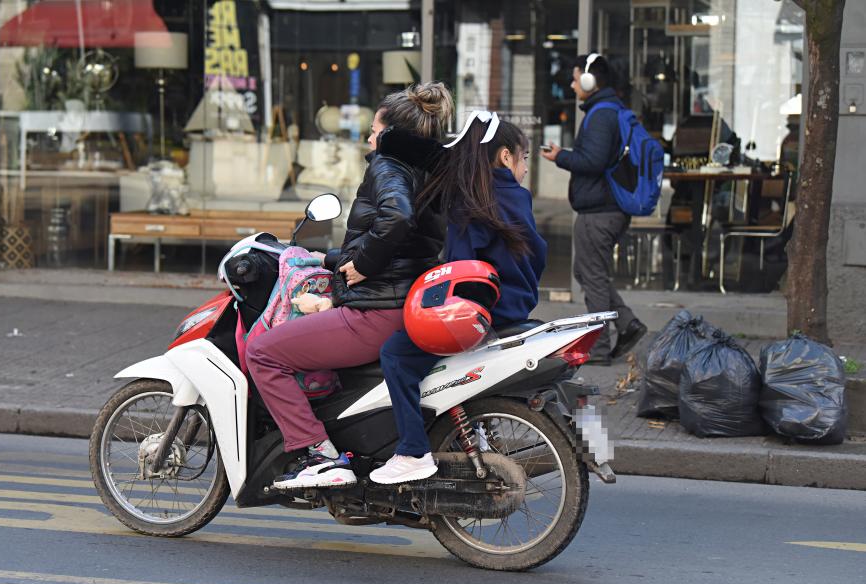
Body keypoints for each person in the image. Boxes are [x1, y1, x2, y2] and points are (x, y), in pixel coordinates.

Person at [245, 82, 453, 489]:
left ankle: (318, 454)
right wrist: (330, 259)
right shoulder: (426, 170)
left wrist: (365, 261)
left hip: (376, 312)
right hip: (405, 302)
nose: (371, 138)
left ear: (392, 135)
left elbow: (397, 219)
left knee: (262, 352)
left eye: (376, 130)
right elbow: (405, 249)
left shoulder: (388, 164)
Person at [369, 116, 548, 484]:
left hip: (482, 311)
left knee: (396, 355)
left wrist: (386, 137)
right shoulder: (512, 196)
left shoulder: (473, 203)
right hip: (514, 307)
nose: (527, 167)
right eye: (524, 157)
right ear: (503, 157)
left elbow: (458, 269)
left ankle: (413, 451)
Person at [540, 53, 646, 365]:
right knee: (587, 271)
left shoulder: (602, 114)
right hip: (605, 208)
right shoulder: (608, 110)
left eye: (575, 79)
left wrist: (561, 156)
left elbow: (593, 161)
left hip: (600, 210)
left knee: (592, 275)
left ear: (589, 81)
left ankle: (599, 350)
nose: (572, 85)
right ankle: (627, 322)